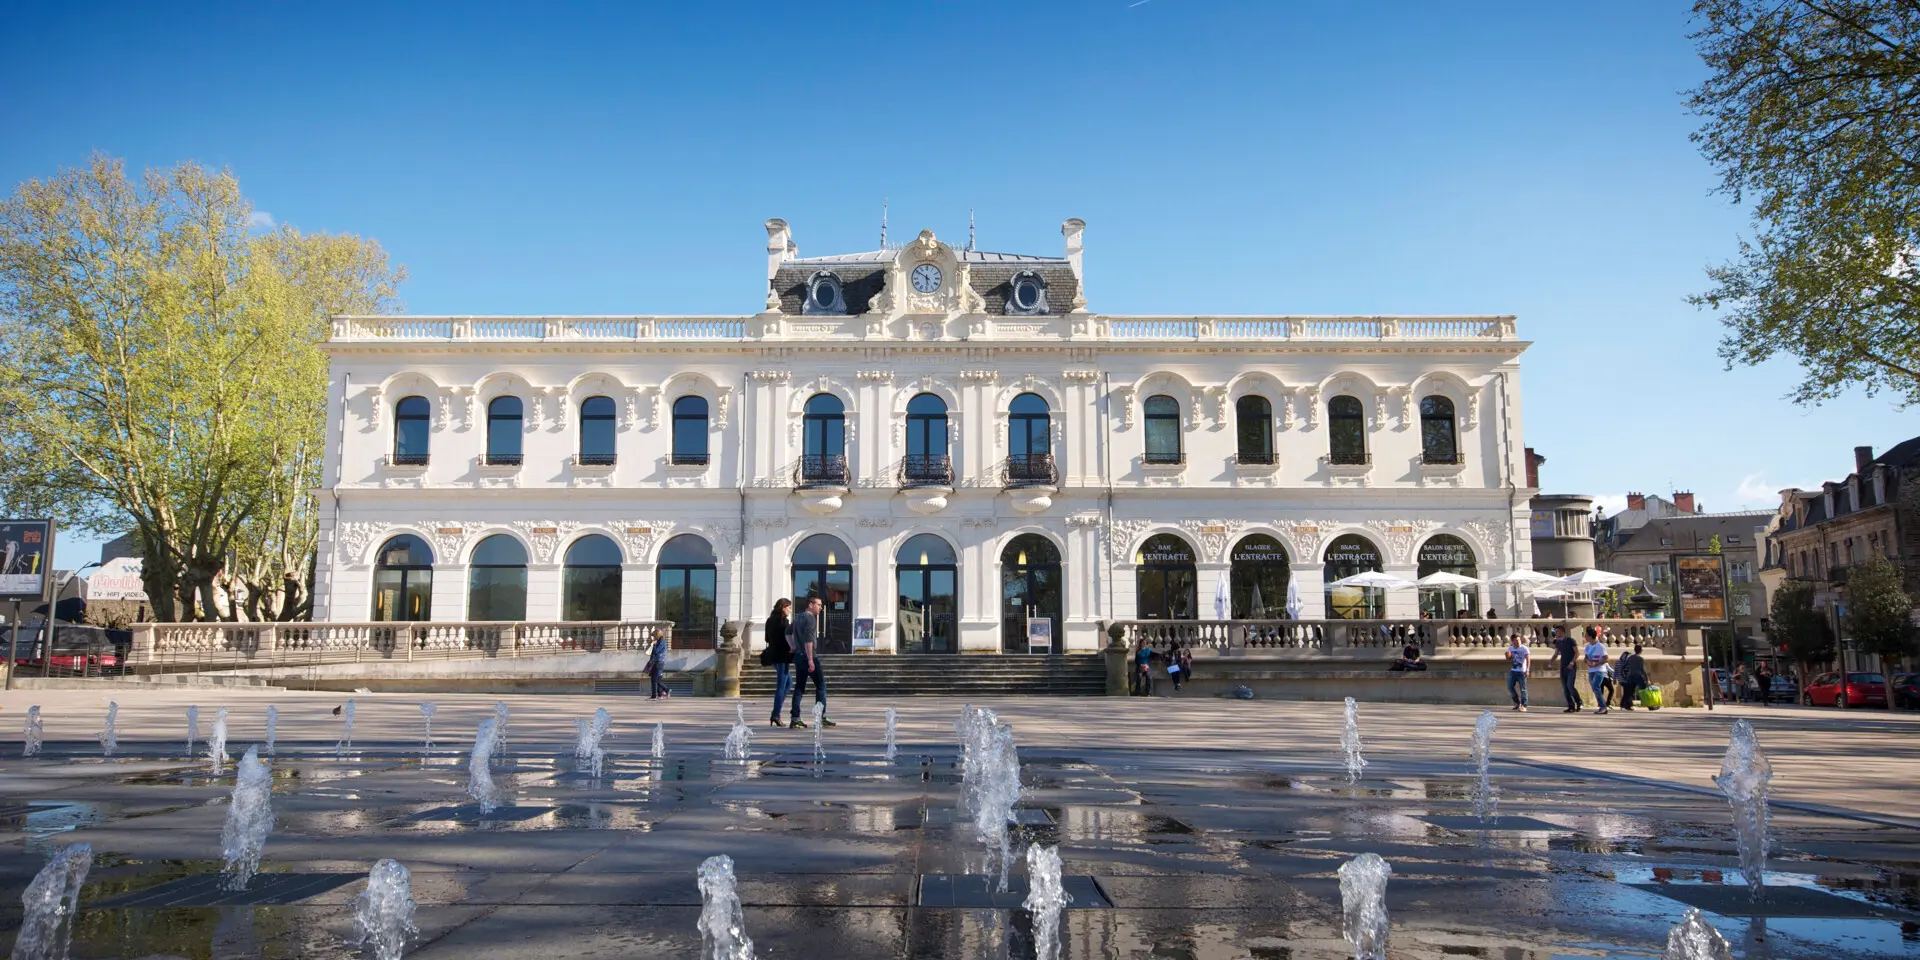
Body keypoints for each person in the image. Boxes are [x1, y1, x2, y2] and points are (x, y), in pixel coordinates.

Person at [789, 596, 833, 728]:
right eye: (818, 605)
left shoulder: (797, 618)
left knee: (799, 687)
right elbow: (809, 641)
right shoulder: (810, 619)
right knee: (821, 686)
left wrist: (793, 647)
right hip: (809, 656)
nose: (820, 608)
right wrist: (810, 660)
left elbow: (787, 633)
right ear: (810, 605)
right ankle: (820, 717)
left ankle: (795, 718)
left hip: (798, 656)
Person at [762, 599, 793, 728]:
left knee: (788, 683)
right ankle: (776, 715)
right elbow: (786, 639)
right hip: (782, 656)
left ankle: (776, 712)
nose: (790, 610)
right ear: (783, 607)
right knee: (781, 686)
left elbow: (766, 638)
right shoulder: (783, 622)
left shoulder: (769, 621)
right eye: (789, 607)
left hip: (774, 655)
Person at [1583, 626, 1611, 715]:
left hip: (1600, 670)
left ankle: (1603, 707)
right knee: (1595, 689)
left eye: (1586, 636)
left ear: (1591, 636)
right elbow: (1586, 657)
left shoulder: (1600, 646)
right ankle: (1602, 706)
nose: (1585, 637)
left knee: (1596, 687)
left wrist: (1596, 664)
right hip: (1591, 670)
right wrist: (1587, 661)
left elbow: (1606, 659)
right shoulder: (1587, 646)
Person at [1553, 626, 1581, 712]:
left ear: (1561, 632)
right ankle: (1571, 706)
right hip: (1563, 667)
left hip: (1571, 667)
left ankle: (1579, 702)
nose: (1556, 633)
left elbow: (1577, 653)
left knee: (1570, 686)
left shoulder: (1571, 641)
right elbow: (1556, 653)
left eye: (1557, 631)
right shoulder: (1558, 642)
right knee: (1565, 688)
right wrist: (1550, 661)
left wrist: (1572, 663)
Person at [1618, 644, 1647, 710]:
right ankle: (1649, 703)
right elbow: (1643, 669)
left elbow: (1623, 667)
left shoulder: (1630, 658)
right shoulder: (1640, 659)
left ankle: (1625, 705)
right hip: (1639, 676)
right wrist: (1647, 678)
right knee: (1645, 689)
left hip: (1631, 676)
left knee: (1629, 692)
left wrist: (1624, 675)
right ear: (1641, 650)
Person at [1505, 634, 1530, 711]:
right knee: (1510, 687)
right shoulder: (1511, 648)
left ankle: (1524, 705)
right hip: (1513, 670)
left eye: (1519, 640)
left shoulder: (1524, 648)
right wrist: (1507, 656)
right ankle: (1517, 703)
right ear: (1512, 641)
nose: (1518, 641)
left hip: (1522, 671)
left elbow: (1528, 659)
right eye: (1516, 640)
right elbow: (1509, 659)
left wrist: (1527, 670)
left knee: (1523, 689)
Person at [647, 630, 669, 699]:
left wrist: (654, 644)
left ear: (657, 635)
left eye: (654, 635)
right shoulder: (659, 641)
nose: (653, 637)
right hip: (655, 661)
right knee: (656, 679)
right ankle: (660, 694)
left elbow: (656, 651)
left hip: (658, 662)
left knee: (655, 679)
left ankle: (664, 691)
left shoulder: (661, 642)